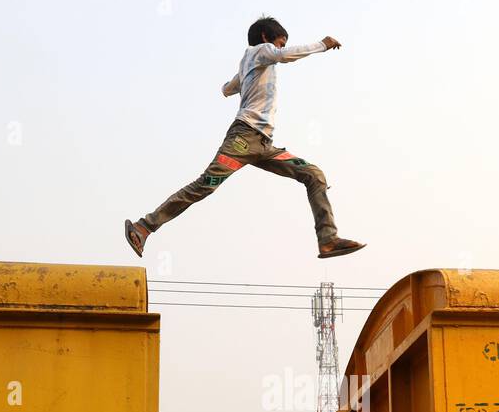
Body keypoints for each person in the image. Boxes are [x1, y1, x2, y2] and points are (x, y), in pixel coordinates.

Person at [125, 15, 365, 260]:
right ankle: (144, 226)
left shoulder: (251, 62)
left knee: (313, 174)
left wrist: (228, 87)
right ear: (265, 38)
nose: (279, 50)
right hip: (243, 140)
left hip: (263, 146)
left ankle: (328, 240)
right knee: (205, 185)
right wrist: (322, 44)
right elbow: (283, 56)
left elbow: (232, 86)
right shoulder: (260, 51)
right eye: (279, 43)